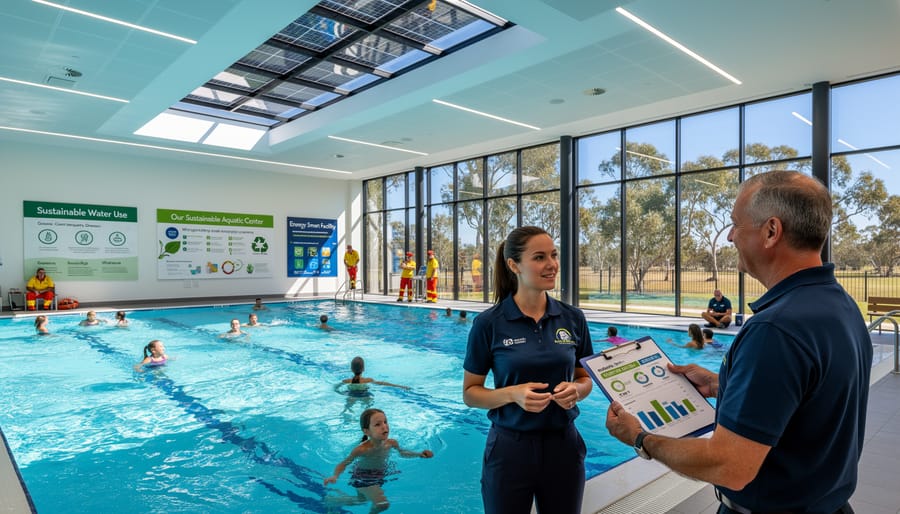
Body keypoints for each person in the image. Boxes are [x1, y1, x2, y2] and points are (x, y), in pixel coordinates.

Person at [605, 170, 872, 514]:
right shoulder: (838, 304)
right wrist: (722, 384)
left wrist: (641, 438)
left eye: (736, 224)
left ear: (771, 232)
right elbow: (810, 398)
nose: (730, 236)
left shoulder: (775, 329)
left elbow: (729, 466)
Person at [463, 226, 594, 514]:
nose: (552, 265)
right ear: (514, 265)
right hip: (510, 449)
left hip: (564, 447)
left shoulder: (572, 318)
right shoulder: (489, 323)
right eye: (539, 257)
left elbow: (585, 378)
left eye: (554, 255)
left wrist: (576, 390)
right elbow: (471, 394)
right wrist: (512, 394)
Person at [323, 408, 433, 513]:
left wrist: (419, 454)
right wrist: (335, 476)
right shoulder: (362, 449)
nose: (384, 426)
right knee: (382, 504)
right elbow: (344, 463)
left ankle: (333, 501)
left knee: (362, 500)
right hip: (363, 477)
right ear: (366, 431)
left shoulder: (392, 443)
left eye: (385, 422)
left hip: (379, 474)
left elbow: (403, 453)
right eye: (378, 424)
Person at [340, 357, 409, 393]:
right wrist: (399, 386)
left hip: (351, 394)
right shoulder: (368, 380)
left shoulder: (347, 381)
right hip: (365, 395)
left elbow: (335, 388)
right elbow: (382, 383)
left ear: (351, 369)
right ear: (363, 369)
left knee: (347, 407)